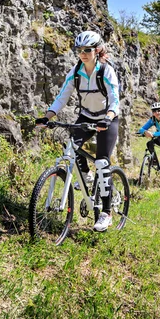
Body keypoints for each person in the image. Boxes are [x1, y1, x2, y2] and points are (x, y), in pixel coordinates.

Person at [35, 31, 120, 232]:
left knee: (102, 161)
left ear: (97, 50)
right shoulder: (75, 72)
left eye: (87, 50)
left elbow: (115, 98)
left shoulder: (106, 71)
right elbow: (62, 96)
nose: (83, 54)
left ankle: (106, 214)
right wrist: (48, 117)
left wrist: (108, 117)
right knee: (71, 147)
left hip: (107, 118)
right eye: (79, 50)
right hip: (86, 116)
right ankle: (85, 175)